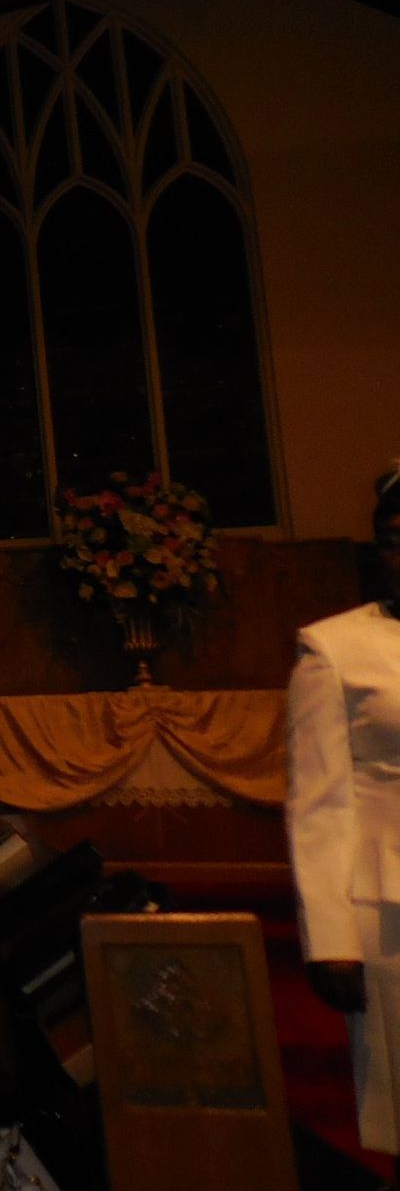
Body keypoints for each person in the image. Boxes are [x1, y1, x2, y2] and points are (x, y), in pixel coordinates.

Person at [287, 463, 400, 1171]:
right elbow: (319, 803)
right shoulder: (334, 649)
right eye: (391, 540)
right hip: (391, 908)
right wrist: (329, 936)